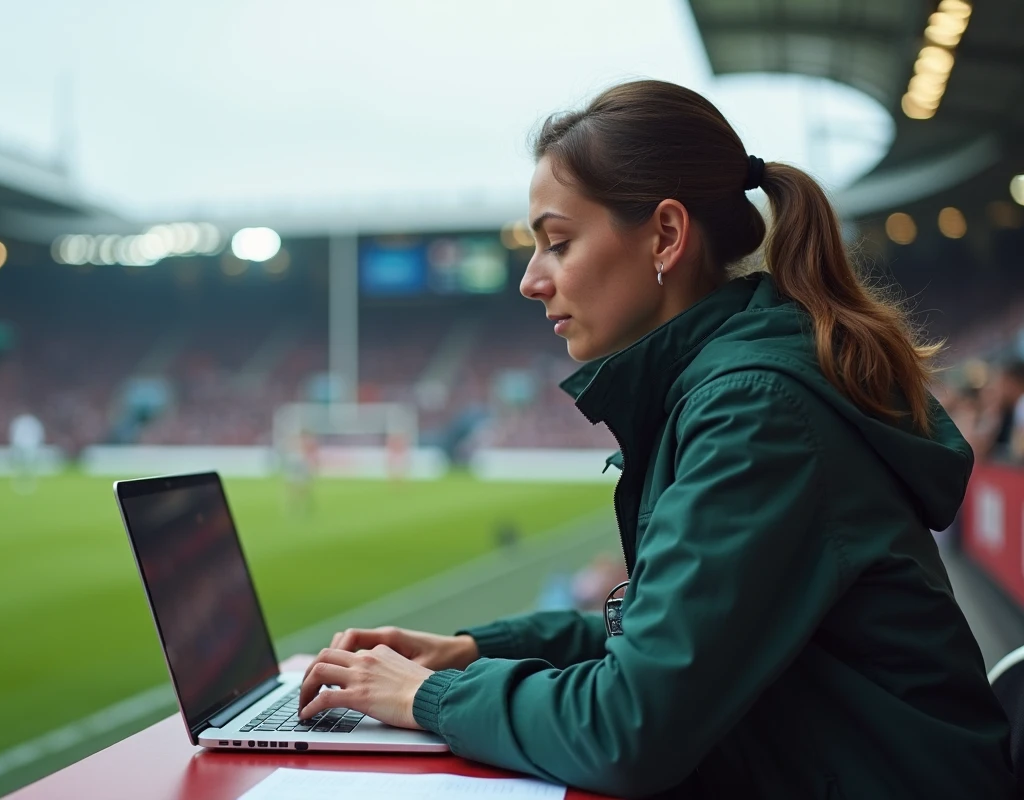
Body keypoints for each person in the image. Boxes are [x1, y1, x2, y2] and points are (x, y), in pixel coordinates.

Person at [295, 80, 1015, 799]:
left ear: (666, 236)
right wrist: (473, 650)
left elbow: (627, 728)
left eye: (557, 243)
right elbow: (666, 639)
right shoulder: (734, 386)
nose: (530, 281)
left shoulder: (755, 411)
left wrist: (427, 696)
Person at [8, 412, 45, 494]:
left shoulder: (30, 421)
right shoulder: (22, 421)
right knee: (20, 466)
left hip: (30, 446)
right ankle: (20, 481)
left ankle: (29, 481)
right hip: (22, 446)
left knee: (29, 466)